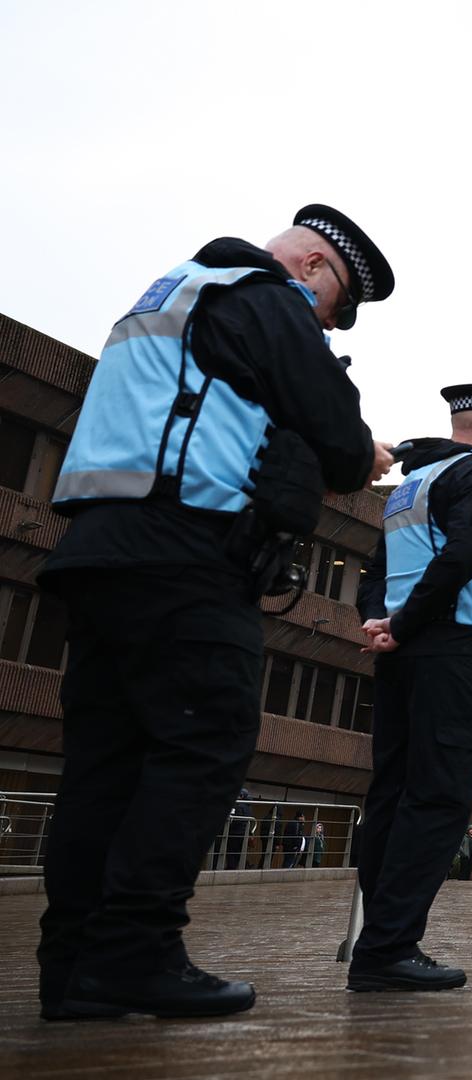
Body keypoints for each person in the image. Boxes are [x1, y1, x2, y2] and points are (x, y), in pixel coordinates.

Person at [34, 204, 395, 1022]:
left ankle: (75, 969)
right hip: (184, 556)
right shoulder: (267, 298)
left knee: (106, 768)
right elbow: (340, 442)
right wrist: (362, 449)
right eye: (335, 309)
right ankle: (138, 951)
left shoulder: (173, 294)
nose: (327, 326)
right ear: (311, 268)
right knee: (204, 742)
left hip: (101, 550)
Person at [349, 383, 472, 992]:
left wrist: (379, 623)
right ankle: (389, 948)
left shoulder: (409, 485)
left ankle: (382, 942)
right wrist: (405, 622)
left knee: (394, 794)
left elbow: (374, 567)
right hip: (451, 647)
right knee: (439, 796)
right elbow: (462, 557)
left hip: (403, 653)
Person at [223, 793, 254, 871]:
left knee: (232, 852)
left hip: (235, 833)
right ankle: (239, 866)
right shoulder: (249, 808)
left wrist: (228, 829)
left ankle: (230, 869)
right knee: (239, 852)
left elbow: (236, 821)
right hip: (244, 834)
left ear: (242, 796)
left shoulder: (239, 806)